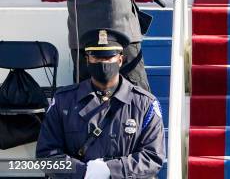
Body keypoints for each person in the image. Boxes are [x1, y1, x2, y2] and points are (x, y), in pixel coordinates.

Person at [36, 28, 165, 178]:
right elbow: (46, 155)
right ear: (87, 60)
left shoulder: (144, 104)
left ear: (120, 59)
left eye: (108, 57)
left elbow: (152, 157)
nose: (103, 63)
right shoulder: (63, 101)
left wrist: (111, 170)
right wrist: (83, 172)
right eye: (96, 58)